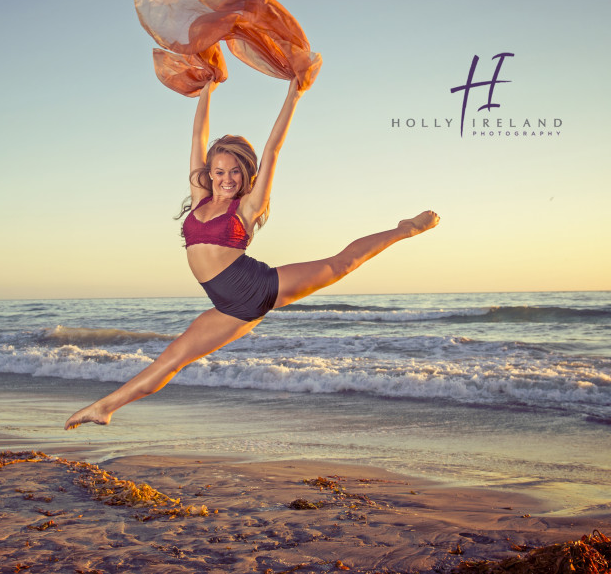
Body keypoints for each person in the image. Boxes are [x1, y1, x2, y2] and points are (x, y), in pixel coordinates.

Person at [65, 78, 438, 430]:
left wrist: (294, 94)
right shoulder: (200, 197)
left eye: (235, 173)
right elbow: (198, 136)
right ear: (209, 173)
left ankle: (406, 229)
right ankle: (104, 408)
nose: (226, 179)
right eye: (219, 171)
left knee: (340, 264)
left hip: (257, 288)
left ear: (245, 175)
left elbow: (273, 147)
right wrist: (207, 89)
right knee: (172, 359)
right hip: (228, 307)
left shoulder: (247, 207)